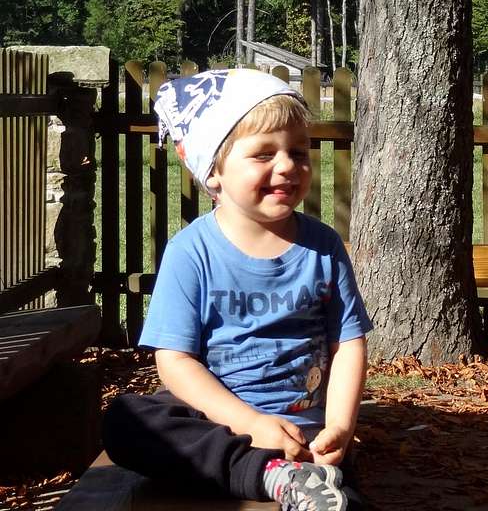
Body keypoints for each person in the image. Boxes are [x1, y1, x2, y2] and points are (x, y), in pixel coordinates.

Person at [103, 69, 372, 511]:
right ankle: (271, 476)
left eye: (298, 153)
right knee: (126, 420)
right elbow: (174, 361)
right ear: (215, 173)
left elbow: (348, 342)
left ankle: (299, 480)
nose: (287, 165)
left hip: (303, 432)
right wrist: (250, 423)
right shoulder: (192, 251)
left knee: (344, 499)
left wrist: (339, 426)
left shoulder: (322, 246)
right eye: (264, 154)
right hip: (219, 426)